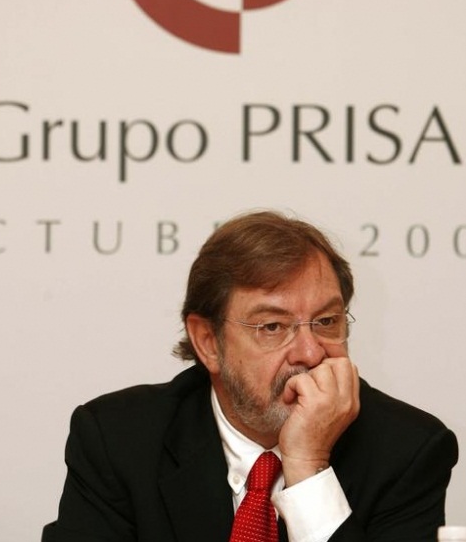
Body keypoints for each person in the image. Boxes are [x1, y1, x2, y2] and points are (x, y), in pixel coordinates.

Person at [42, 210, 458, 542]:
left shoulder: (407, 450)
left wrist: (308, 467)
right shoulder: (119, 439)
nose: (310, 353)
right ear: (208, 342)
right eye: (272, 327)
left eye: (327, 321)